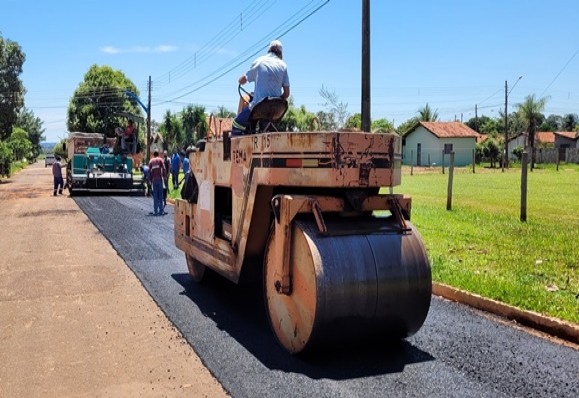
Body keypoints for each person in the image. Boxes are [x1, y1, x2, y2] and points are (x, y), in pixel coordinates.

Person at [232, 40, 290, 135]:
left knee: (236, 124)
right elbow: (287, 94)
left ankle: (236, 147)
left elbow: (242, 80)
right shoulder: (283, 65)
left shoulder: (259, 62)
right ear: (280, 53)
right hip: (276, 110)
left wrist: (240, 80)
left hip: (259, 108)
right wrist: (276, 99)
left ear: (269, 50)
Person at [147, 150, 166, 216]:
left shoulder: (151, 161)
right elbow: (164, 168)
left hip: (154, 181)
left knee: (155, 196)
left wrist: (149, 180)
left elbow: (149, 171)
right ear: (158, 154)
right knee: (160, 196)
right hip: (160, 180)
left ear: (153, 155)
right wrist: (164, 176)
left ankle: (155, 211)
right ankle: (161, 211)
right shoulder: (160, 160)